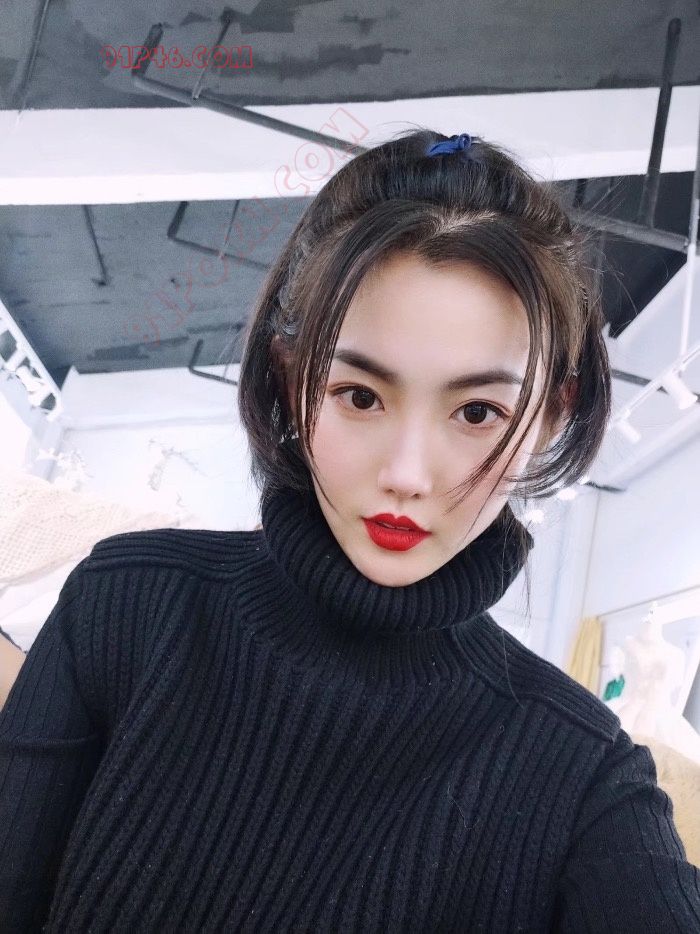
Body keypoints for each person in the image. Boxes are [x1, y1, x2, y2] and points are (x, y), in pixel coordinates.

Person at [0, 129, 698, 932]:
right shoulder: (125, 605)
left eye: (478, 412)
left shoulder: (585, 776)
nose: (407, 473)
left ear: (551, 417)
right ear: (291, 376)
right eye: (360, 396)